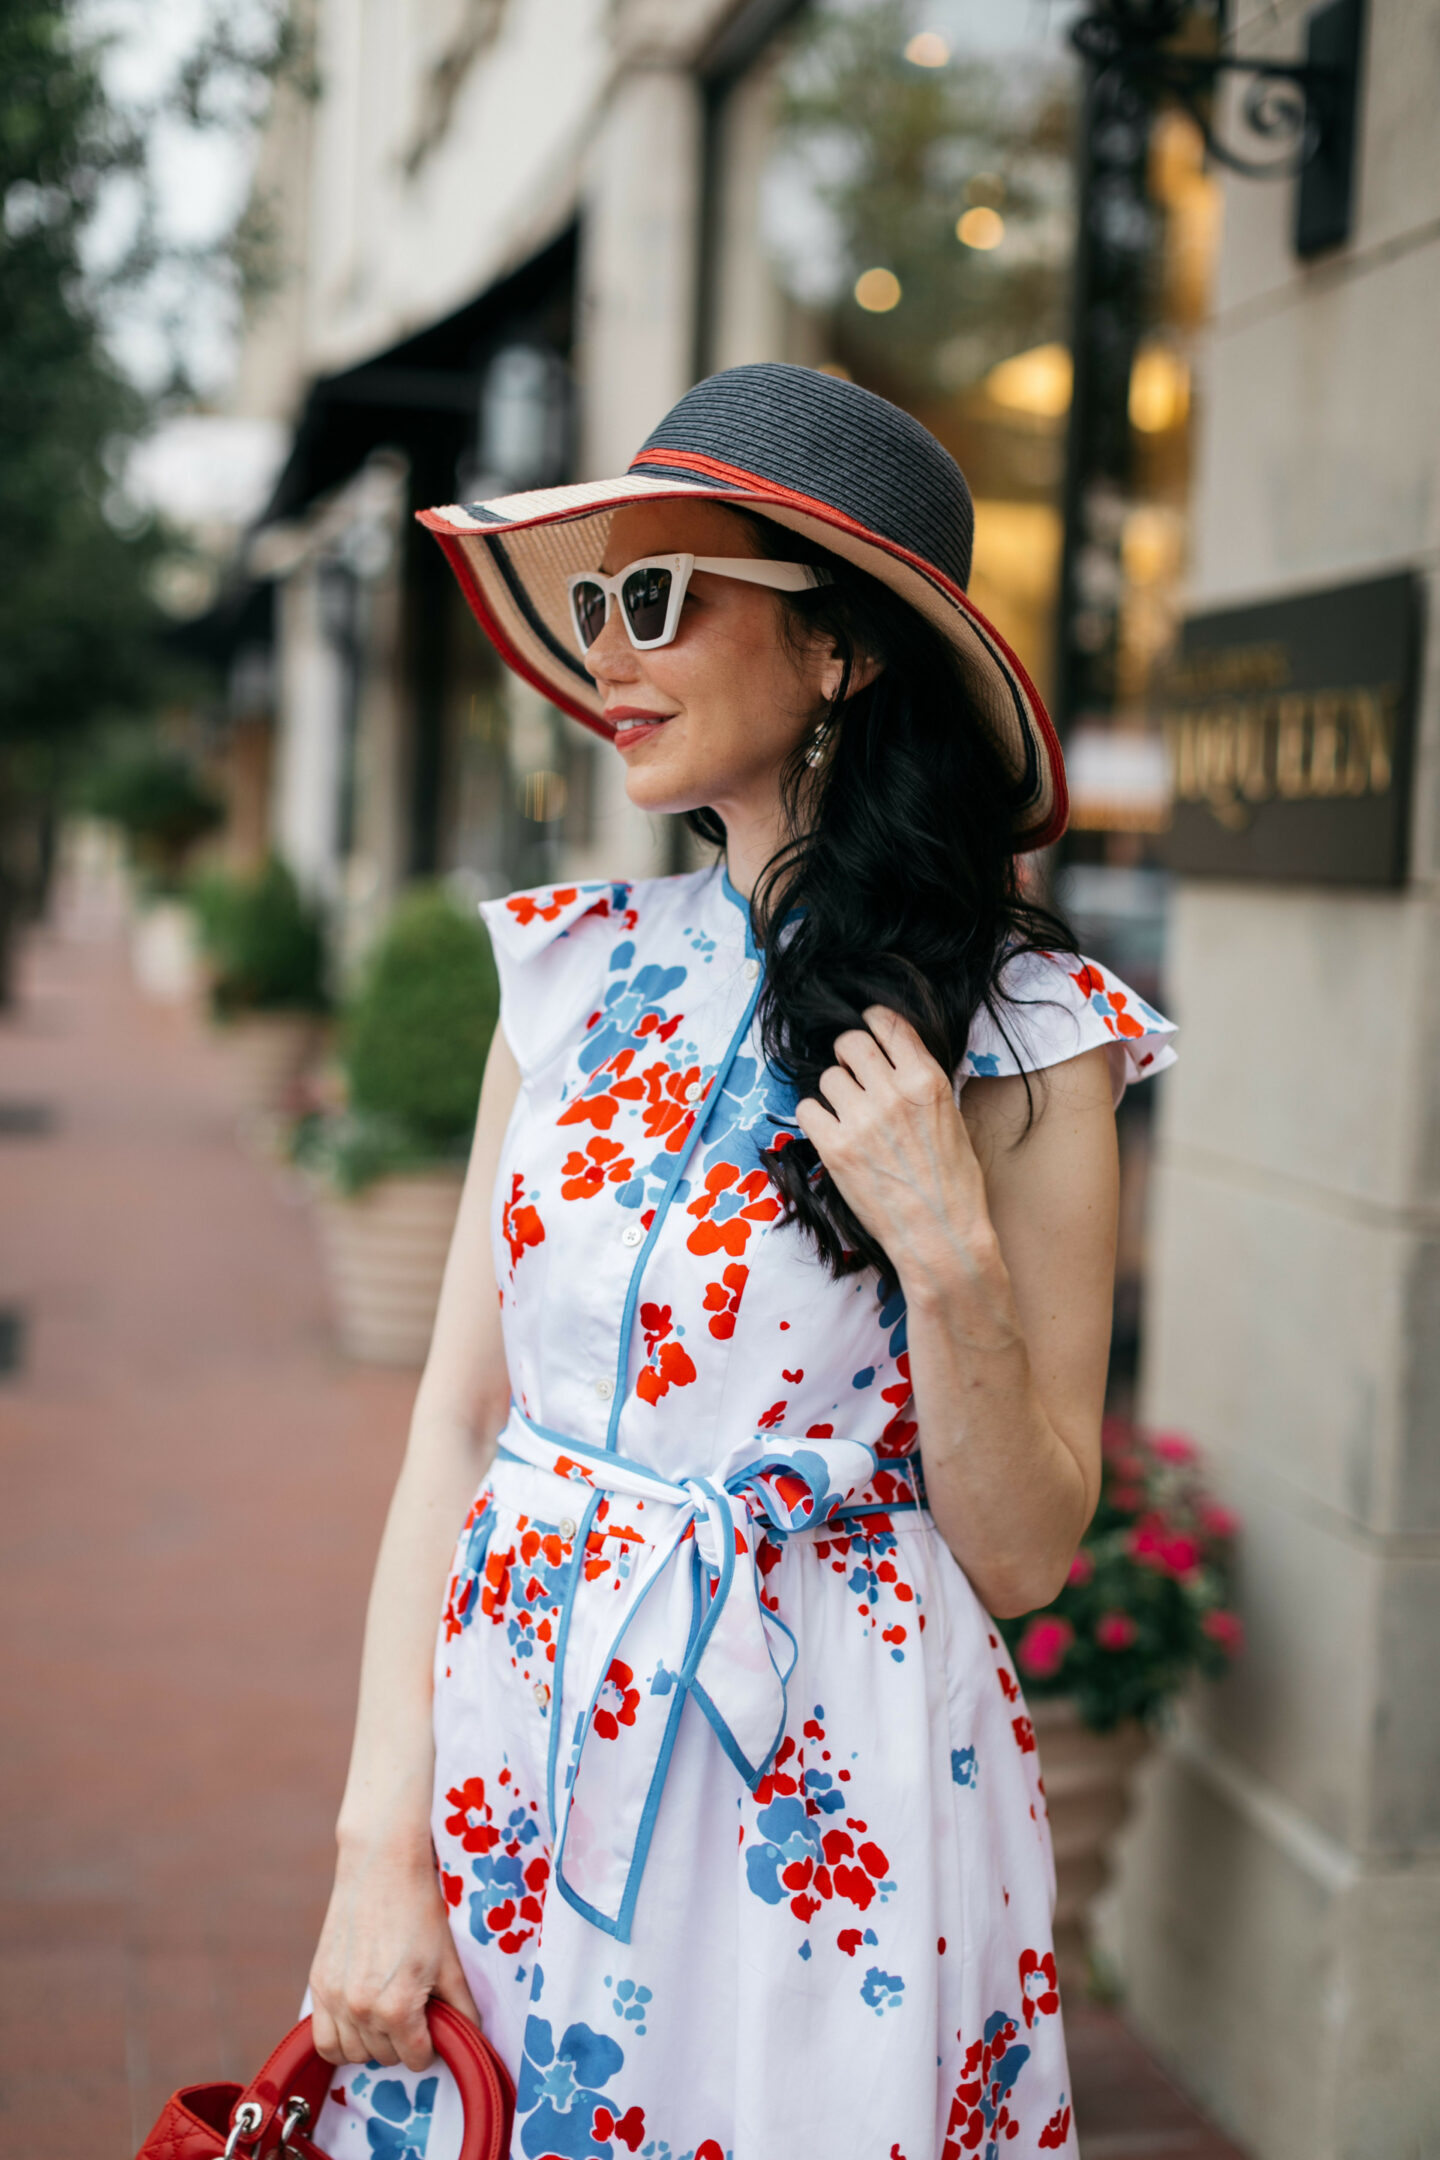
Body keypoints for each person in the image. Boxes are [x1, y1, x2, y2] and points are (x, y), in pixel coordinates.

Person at [307, 364, 1176, 2160]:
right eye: (593, 607)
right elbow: (454, 1432)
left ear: (841, 649)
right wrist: (378, 1844)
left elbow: (1021, 1557)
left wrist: (950, 1261)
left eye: (656, 599)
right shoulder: (559, 974)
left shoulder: (1028, 1035)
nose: (608, 657)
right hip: (518, 1746)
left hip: (825, 1801)